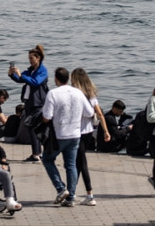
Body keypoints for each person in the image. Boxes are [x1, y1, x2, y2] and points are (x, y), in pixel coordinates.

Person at [40, 66, 93, 208]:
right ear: (68, 78)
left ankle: (61, 188)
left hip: (59, 135)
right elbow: (89, 112)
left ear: (56, 79)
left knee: (47, 159)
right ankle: (71, 197)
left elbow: (47, 116)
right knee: (71, 165)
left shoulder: (53, 93)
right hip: (75, 134)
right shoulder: (78, 93)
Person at [70, 67, 111, 206]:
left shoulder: (75, 94)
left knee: (80, 163)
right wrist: (105, 130)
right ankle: (72, 191)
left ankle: (89, 194)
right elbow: (99, 113)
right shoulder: (91, 94)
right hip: (88, 132)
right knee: (78, 162)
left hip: (77, 132)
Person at [7, 44, 48, 162]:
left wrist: (21, 76)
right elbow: (21, 79)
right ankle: (38, 153)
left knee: (33, 127)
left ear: (38, 58)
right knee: (33, 128)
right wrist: (12, 74)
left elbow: (36, 82)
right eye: (29, 58)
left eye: (32, 58)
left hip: (38, 103)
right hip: (29, 102)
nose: (30, 61)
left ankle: (37, 154)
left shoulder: (42, 71)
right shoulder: (30, 70)